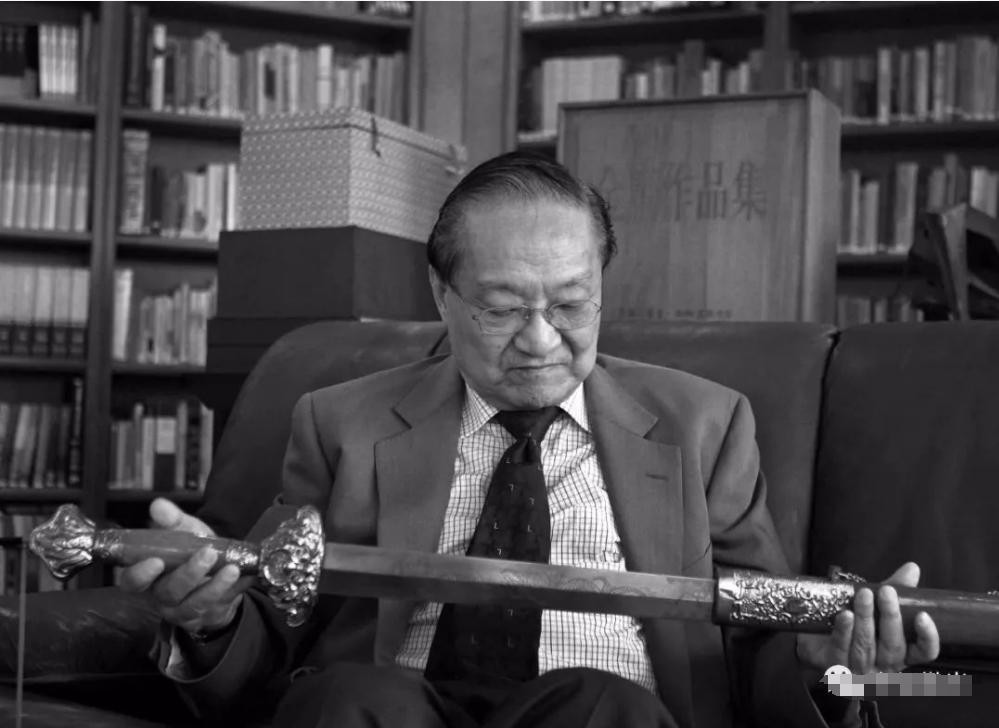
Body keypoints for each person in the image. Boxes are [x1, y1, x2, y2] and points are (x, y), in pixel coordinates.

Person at [121, 152, 939, 728]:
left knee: (599, 705)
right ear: (441, 294)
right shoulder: (342, 422)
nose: (541, 341)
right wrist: (210, 616)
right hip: (396, 708)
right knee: (348, 699)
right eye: (503, 308)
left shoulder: (705, 425)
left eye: (571, 305)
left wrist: (826, 662)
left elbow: (758, 639)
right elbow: (274, 620)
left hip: (605, 712)